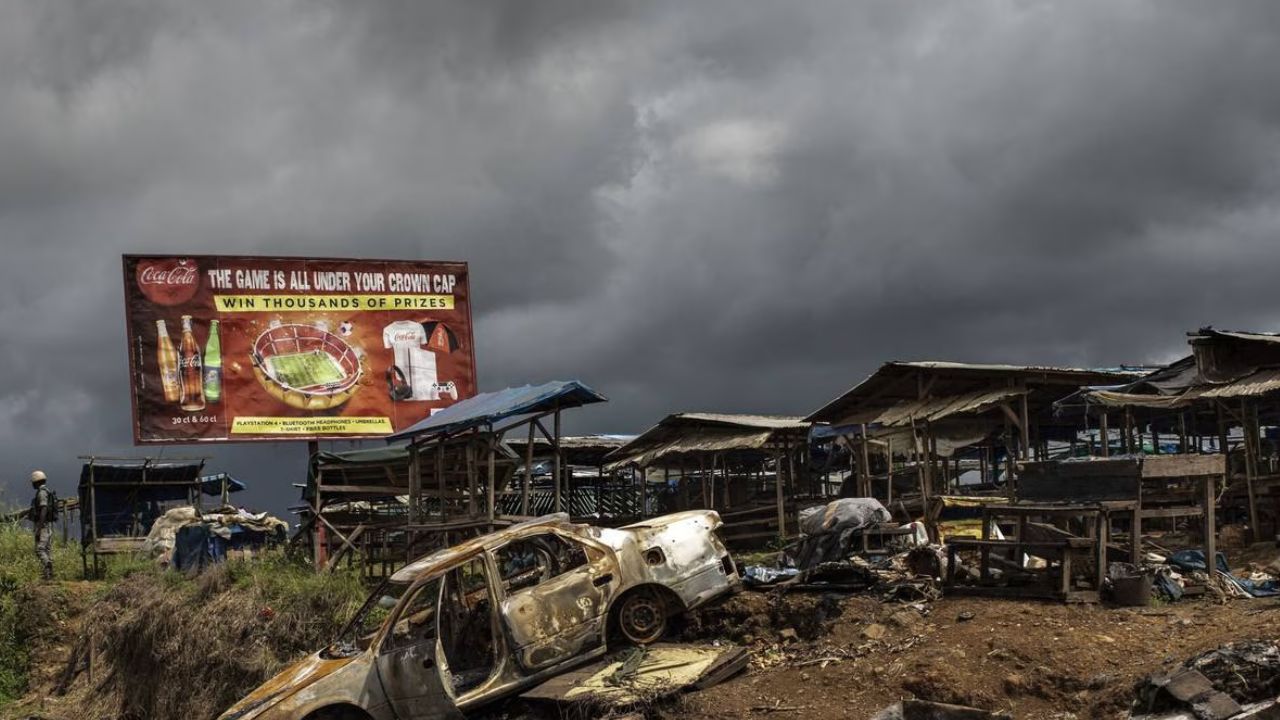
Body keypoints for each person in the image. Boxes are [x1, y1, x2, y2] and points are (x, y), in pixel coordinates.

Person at [29, 470, 54, 581]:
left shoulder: (42, 493)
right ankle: (48, 577)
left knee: (39, 550)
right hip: (47, 526)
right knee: (47, 550)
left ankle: (47, 564)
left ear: (36, 481)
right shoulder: (46, 492)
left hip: (43, 526)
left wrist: (39, 528)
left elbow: (44, 509)